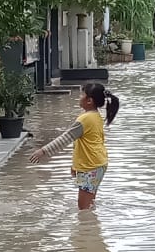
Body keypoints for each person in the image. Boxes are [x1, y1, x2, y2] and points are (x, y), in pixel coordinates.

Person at [29, 82, 119, 210]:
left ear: (89, 101)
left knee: (83, 209)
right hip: (97, 164)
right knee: (89, 205)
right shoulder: (96, 116)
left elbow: (65, 138)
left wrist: (42, 151)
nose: (79, 98)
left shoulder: (85, 119)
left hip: (91, 167)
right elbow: (84, 143)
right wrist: (75, 166)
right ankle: (92, 228)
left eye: (82, 95)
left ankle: (85, 229)